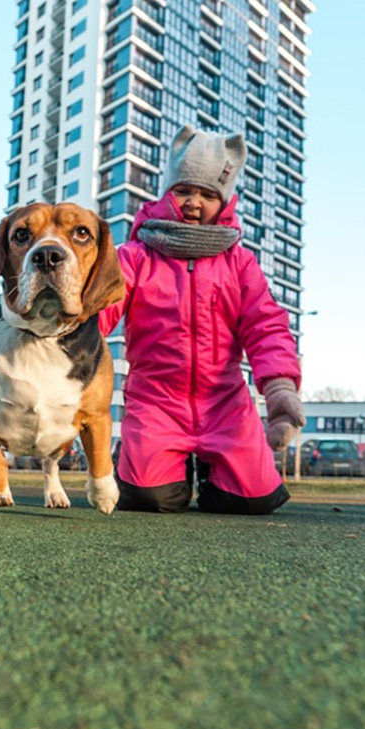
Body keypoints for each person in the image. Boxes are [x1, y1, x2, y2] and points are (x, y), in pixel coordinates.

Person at [99, 125, 304, 515]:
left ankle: (214, 471)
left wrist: (279, 387)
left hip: (224, 402)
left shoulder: (239, 262)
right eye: (183, 191)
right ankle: (145, 457)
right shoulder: (134, 256)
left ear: (224, 201)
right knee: (148, 500)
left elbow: (266, 325)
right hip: (155, 400)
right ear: (167, 192)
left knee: (252, 499)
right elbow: (102, 308)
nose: (193, 203)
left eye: (208, 194)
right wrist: (68, 339)